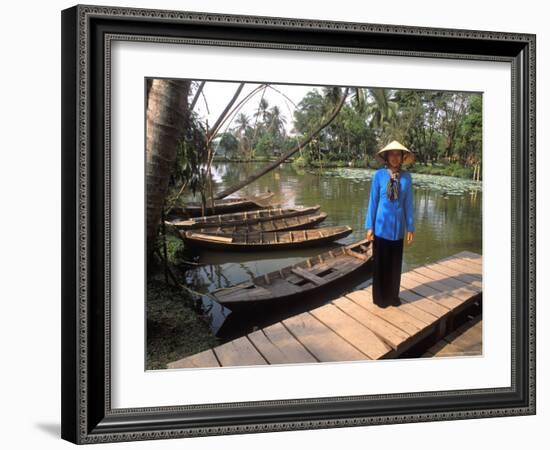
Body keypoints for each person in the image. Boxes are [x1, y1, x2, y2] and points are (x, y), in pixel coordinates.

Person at [364, 140, 415, 308]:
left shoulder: (407, 178)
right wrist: (369, 226)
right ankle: (380, 297)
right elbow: (373, 201)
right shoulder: (379, 176)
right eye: (391, 154)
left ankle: (393, 296)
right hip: (380, 227)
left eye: (398, 154)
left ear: (402, 157)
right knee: (380, 265)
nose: (394, 157)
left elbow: (408, 204)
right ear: (386, 156)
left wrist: (410, 227)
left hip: (398, 229)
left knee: (394, 265)